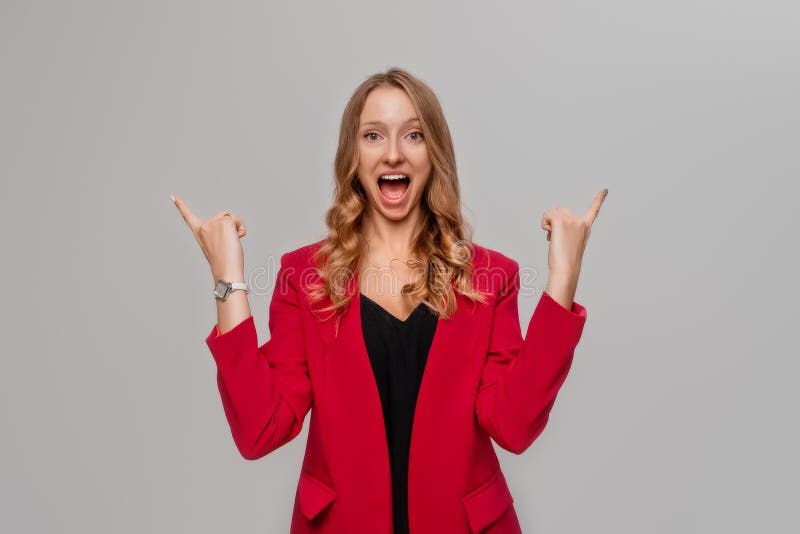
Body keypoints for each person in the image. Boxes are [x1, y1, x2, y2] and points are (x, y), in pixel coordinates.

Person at [173, 67, 607, 534]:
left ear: (433, 154)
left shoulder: (489, 277)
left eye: (414, 135)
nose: (393, 153)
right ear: (352, 156)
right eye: (373, 135)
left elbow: (514, 425)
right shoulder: (304, 277)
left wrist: (563, 278)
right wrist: (228, 278)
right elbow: (261, 428)